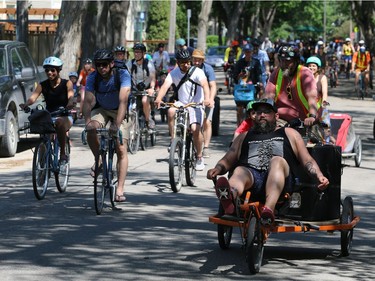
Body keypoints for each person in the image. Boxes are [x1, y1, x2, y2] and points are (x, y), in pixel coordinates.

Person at [207, 99, 329, 225]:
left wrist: (319, 176)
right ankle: (229, 196)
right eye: (258, 112)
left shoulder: (289, 133)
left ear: (276, 116)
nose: (262, 115)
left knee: (277, 161)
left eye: (267, 112)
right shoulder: (244, 136)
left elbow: (307, 159)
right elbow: (228, 159)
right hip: (253, 179)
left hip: (280, 181)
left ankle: (268, 209)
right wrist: (218, 169)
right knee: (239, 170)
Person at [83, 48, 131, 202]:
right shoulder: (93, 77)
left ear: (111, 64)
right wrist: (87, 122)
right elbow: (88, 100)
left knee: (120, 147)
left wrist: (116, 125)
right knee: (91, 128)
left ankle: (120, 189)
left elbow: (123, 100)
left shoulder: (122, 74)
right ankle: (99, 159)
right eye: (98, 65)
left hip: (120, 111)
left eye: (104, 64)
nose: (101, 68)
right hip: (102, 109)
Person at [154, 49, 212, 171]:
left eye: (187, 62)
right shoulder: (174, 73)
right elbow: (165, 86)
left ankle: (199, 156)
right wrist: (159, 98)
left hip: (196, 103)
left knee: (196, 129)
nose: (186, 65)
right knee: (170, 111)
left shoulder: (198, 72)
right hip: (181, 103)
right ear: (178, 62)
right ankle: (173, 140)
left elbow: (205, 85)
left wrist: (207, 99)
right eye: (182, 62)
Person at [20, 56, 75, 166]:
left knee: (59, 123)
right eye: (47, 70)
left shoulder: (67, 83)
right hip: (49, 116)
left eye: (53, 70)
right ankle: (42, 168)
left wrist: (69, 104)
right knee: (45, 136)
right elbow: (33, 97)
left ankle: (63, 154)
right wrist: (26, 104)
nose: (49, 73)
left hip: (64, 115)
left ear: (58, 70)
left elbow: (71, 96)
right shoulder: (42, 85)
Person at [263, 45, 318, 127]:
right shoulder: (276, 73)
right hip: (281, 119)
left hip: (304, 120)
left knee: (315, 139)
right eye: (282, 60)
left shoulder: (305, 73)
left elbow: (312, 96)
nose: (284, 64)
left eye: (288, 61)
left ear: (296, 61)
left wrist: (312, 116)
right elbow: (268, 96)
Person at [191, 49, 217, 158]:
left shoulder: (208, 69)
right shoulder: (189, 69)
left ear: (202, 60)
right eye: (195, 60)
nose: (196, 62)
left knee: (207, 122)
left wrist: (210, 99)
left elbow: (213, 86)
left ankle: (205, 147)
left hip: (206, 100)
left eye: (199, 60)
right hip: (192, 100)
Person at [126, 43, 157, 129]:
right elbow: (125, 76)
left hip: (146, 89)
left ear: (143, 53)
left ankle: (148, 120)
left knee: (144, 100)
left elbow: (153, 78)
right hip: (134, 89)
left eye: (138, 52)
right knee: (128, 105)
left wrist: (152, 88)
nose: (136, 54)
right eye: (135, 52)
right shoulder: (130, 63)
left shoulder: (149, 64)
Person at [232, 44, 262, 126]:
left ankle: (254, 126)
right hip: (241, 89)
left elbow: (259, 74)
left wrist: (260, 82)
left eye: (249, 52)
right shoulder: (239, 63)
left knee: (254, 107)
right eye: (246, 52)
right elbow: (234, 77)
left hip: (252, 88)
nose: (248, 54)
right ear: (244, 52)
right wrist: (240, 75)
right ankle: (239, 126)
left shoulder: (256, 62)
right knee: (239, 108)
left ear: (252, 52)